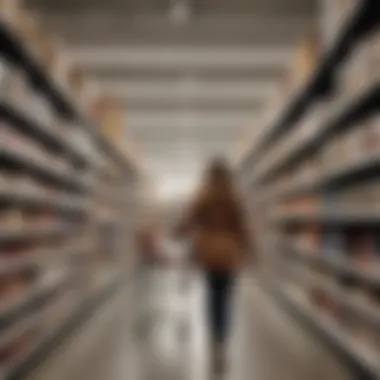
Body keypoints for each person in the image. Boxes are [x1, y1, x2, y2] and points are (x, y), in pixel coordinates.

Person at [174, 158, 253, 373]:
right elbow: (243, 227)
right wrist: (250, 250)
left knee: (211, 299)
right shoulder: (234, 198)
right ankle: (222, 342)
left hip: (208, 252)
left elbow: (188, 221)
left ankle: (213, 345)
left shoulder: (203, 196)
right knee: (226, 300)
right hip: (229, 253)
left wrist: (178, 231)